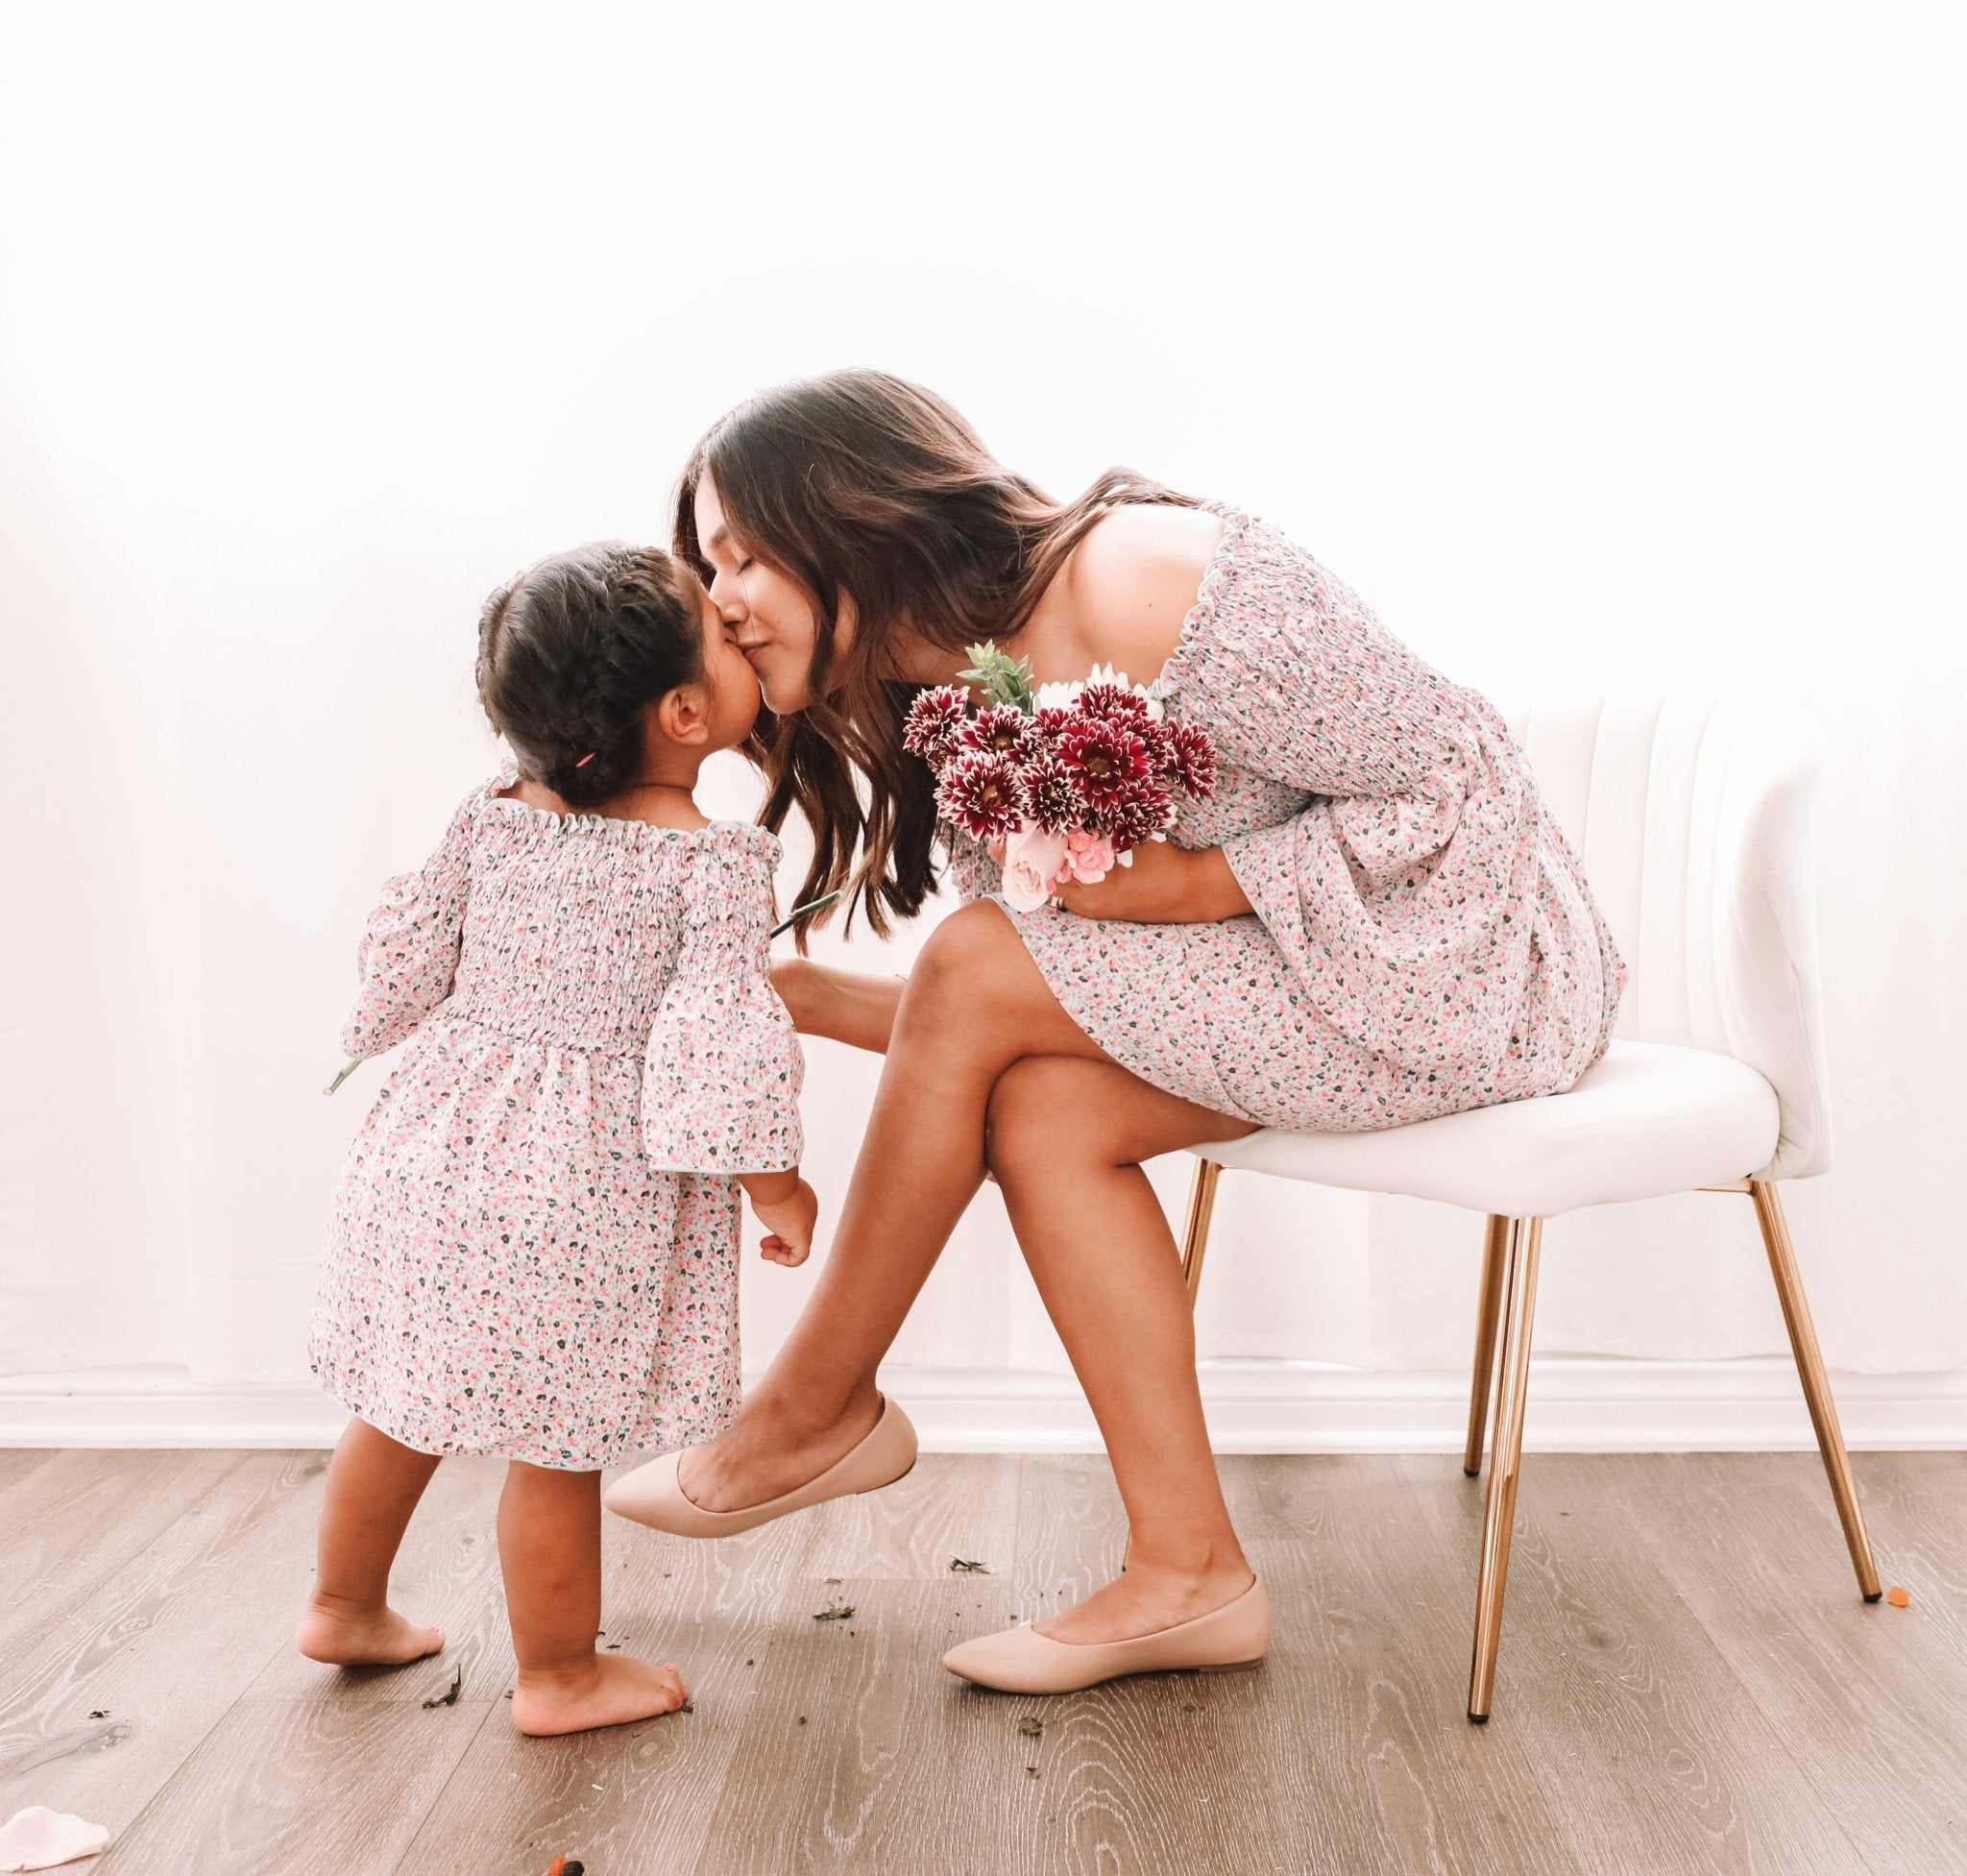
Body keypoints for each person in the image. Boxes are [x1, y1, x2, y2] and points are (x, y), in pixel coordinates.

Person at [606, 370, 1626, 1695]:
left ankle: (809, 1411)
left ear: (850, 509)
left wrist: (1199, 886)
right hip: (1304, 984)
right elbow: (1004, 1009)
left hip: (1472, 959)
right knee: (1043, 1110)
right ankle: (1188, 1569)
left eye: (742, 550)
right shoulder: (952, 700)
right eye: (707, 562)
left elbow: (1464, 769)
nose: (719, 596)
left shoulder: (1137, 580)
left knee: (976, 959)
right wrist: (797, 1000)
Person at [299, 543, 821, 1735]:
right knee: (557, 1441)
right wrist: (774, 1183)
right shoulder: (711, 864)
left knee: (399, 1400)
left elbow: (406, 964)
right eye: (726, 638)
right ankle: (560, 1675)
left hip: (431, 1147)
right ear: (687, 714)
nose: (747, 636)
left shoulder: (489, 823)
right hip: (576, 1188)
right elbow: (715, 1043)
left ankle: (342, 1603)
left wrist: (372, 1026)